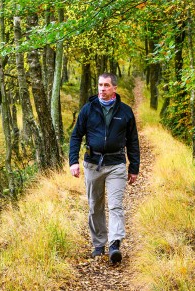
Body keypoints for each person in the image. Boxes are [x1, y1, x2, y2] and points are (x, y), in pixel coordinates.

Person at [69, 72, 140, 264]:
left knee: (115, 205)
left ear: (114, 88)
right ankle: (99, 244)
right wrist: (73, 161)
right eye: (100, 85)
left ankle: (115, 244)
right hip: (93, 164)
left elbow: (133, 141)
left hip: (116, 164)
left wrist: (134, 167)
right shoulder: (88, 109)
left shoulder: (125, 111)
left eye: (106, 85)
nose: (102, 89)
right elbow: (76, 136)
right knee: (95, 206)